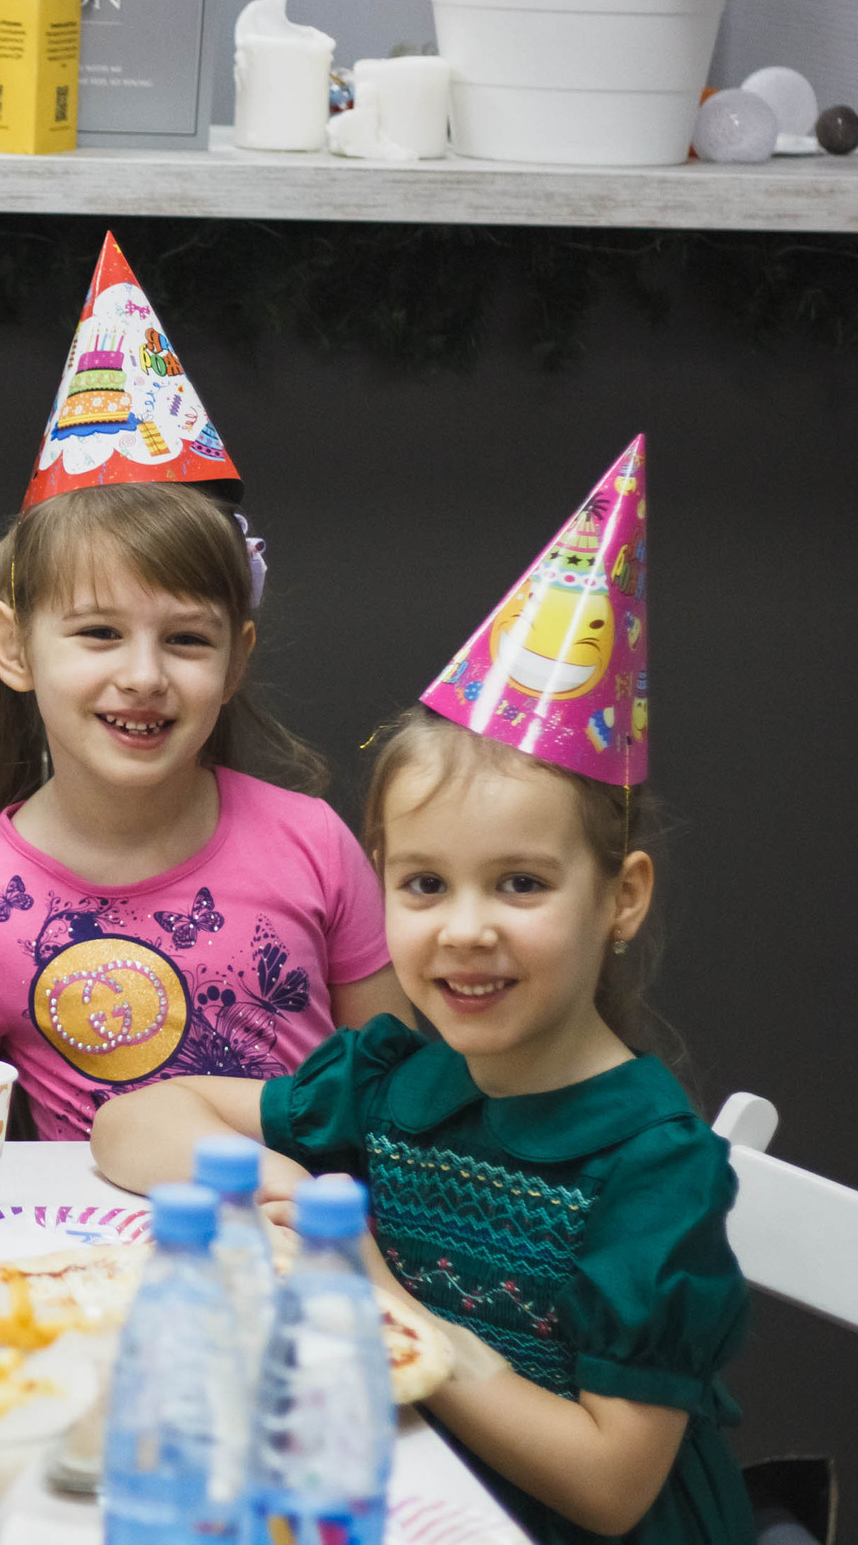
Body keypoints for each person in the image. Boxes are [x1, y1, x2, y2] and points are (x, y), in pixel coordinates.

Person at [94, 439, 753, 1545]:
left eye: (522, 883)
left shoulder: (655, 1174)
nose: (463, 929)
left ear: (622, 896)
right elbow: (128, 1119)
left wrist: (377, 1306)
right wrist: (279, 1191)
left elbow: (607, 1485)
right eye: (423, 883)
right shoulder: (398, 1081)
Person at [0, 234, 404, 1140]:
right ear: (10, 647)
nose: (143, 675)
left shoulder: (314, 847)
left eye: (187, 639)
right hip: (82, 1275)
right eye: (97, 632)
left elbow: (403, 1104)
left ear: (237, 656)